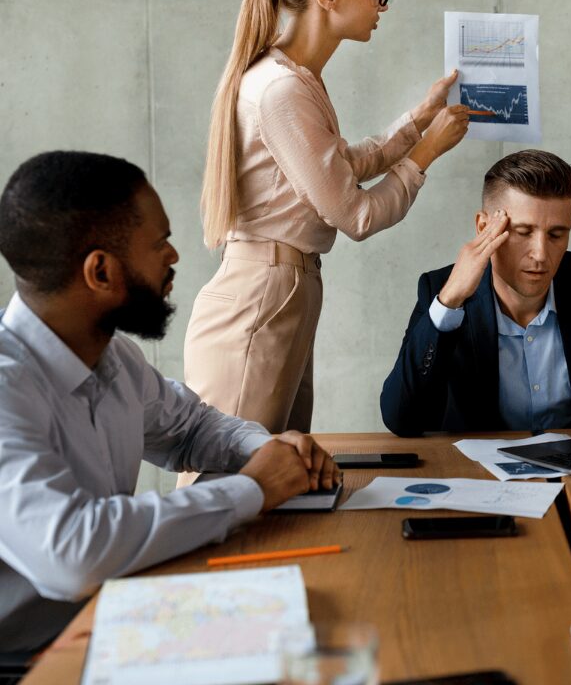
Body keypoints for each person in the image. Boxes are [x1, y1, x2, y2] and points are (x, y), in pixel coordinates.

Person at [0, 152, 336, 654]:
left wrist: (267, 449)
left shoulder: (113, 356)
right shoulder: (8, 386)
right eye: (159, 243)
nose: (174, 256)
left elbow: (192, 429)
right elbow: (73, 553)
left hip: (109, 617)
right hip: (33, 658)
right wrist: (252, 489)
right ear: (100, 271)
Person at [185, 0, 469, 438]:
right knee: (232, 486)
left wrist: (419, 119)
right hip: (263, 298)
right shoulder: (281, 90)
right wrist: (427, 151)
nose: (384, 5)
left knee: (274, 480)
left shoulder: (297, 81)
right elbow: (355, 214)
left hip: (281, 293)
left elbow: (342, 165)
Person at [380, 150, 571, 435]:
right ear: (485, 227)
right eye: (523, 233)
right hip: (477, 479)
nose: (541, 254)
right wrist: (450, 302)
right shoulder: (441, 289)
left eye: (556, 234)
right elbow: (402, 420)